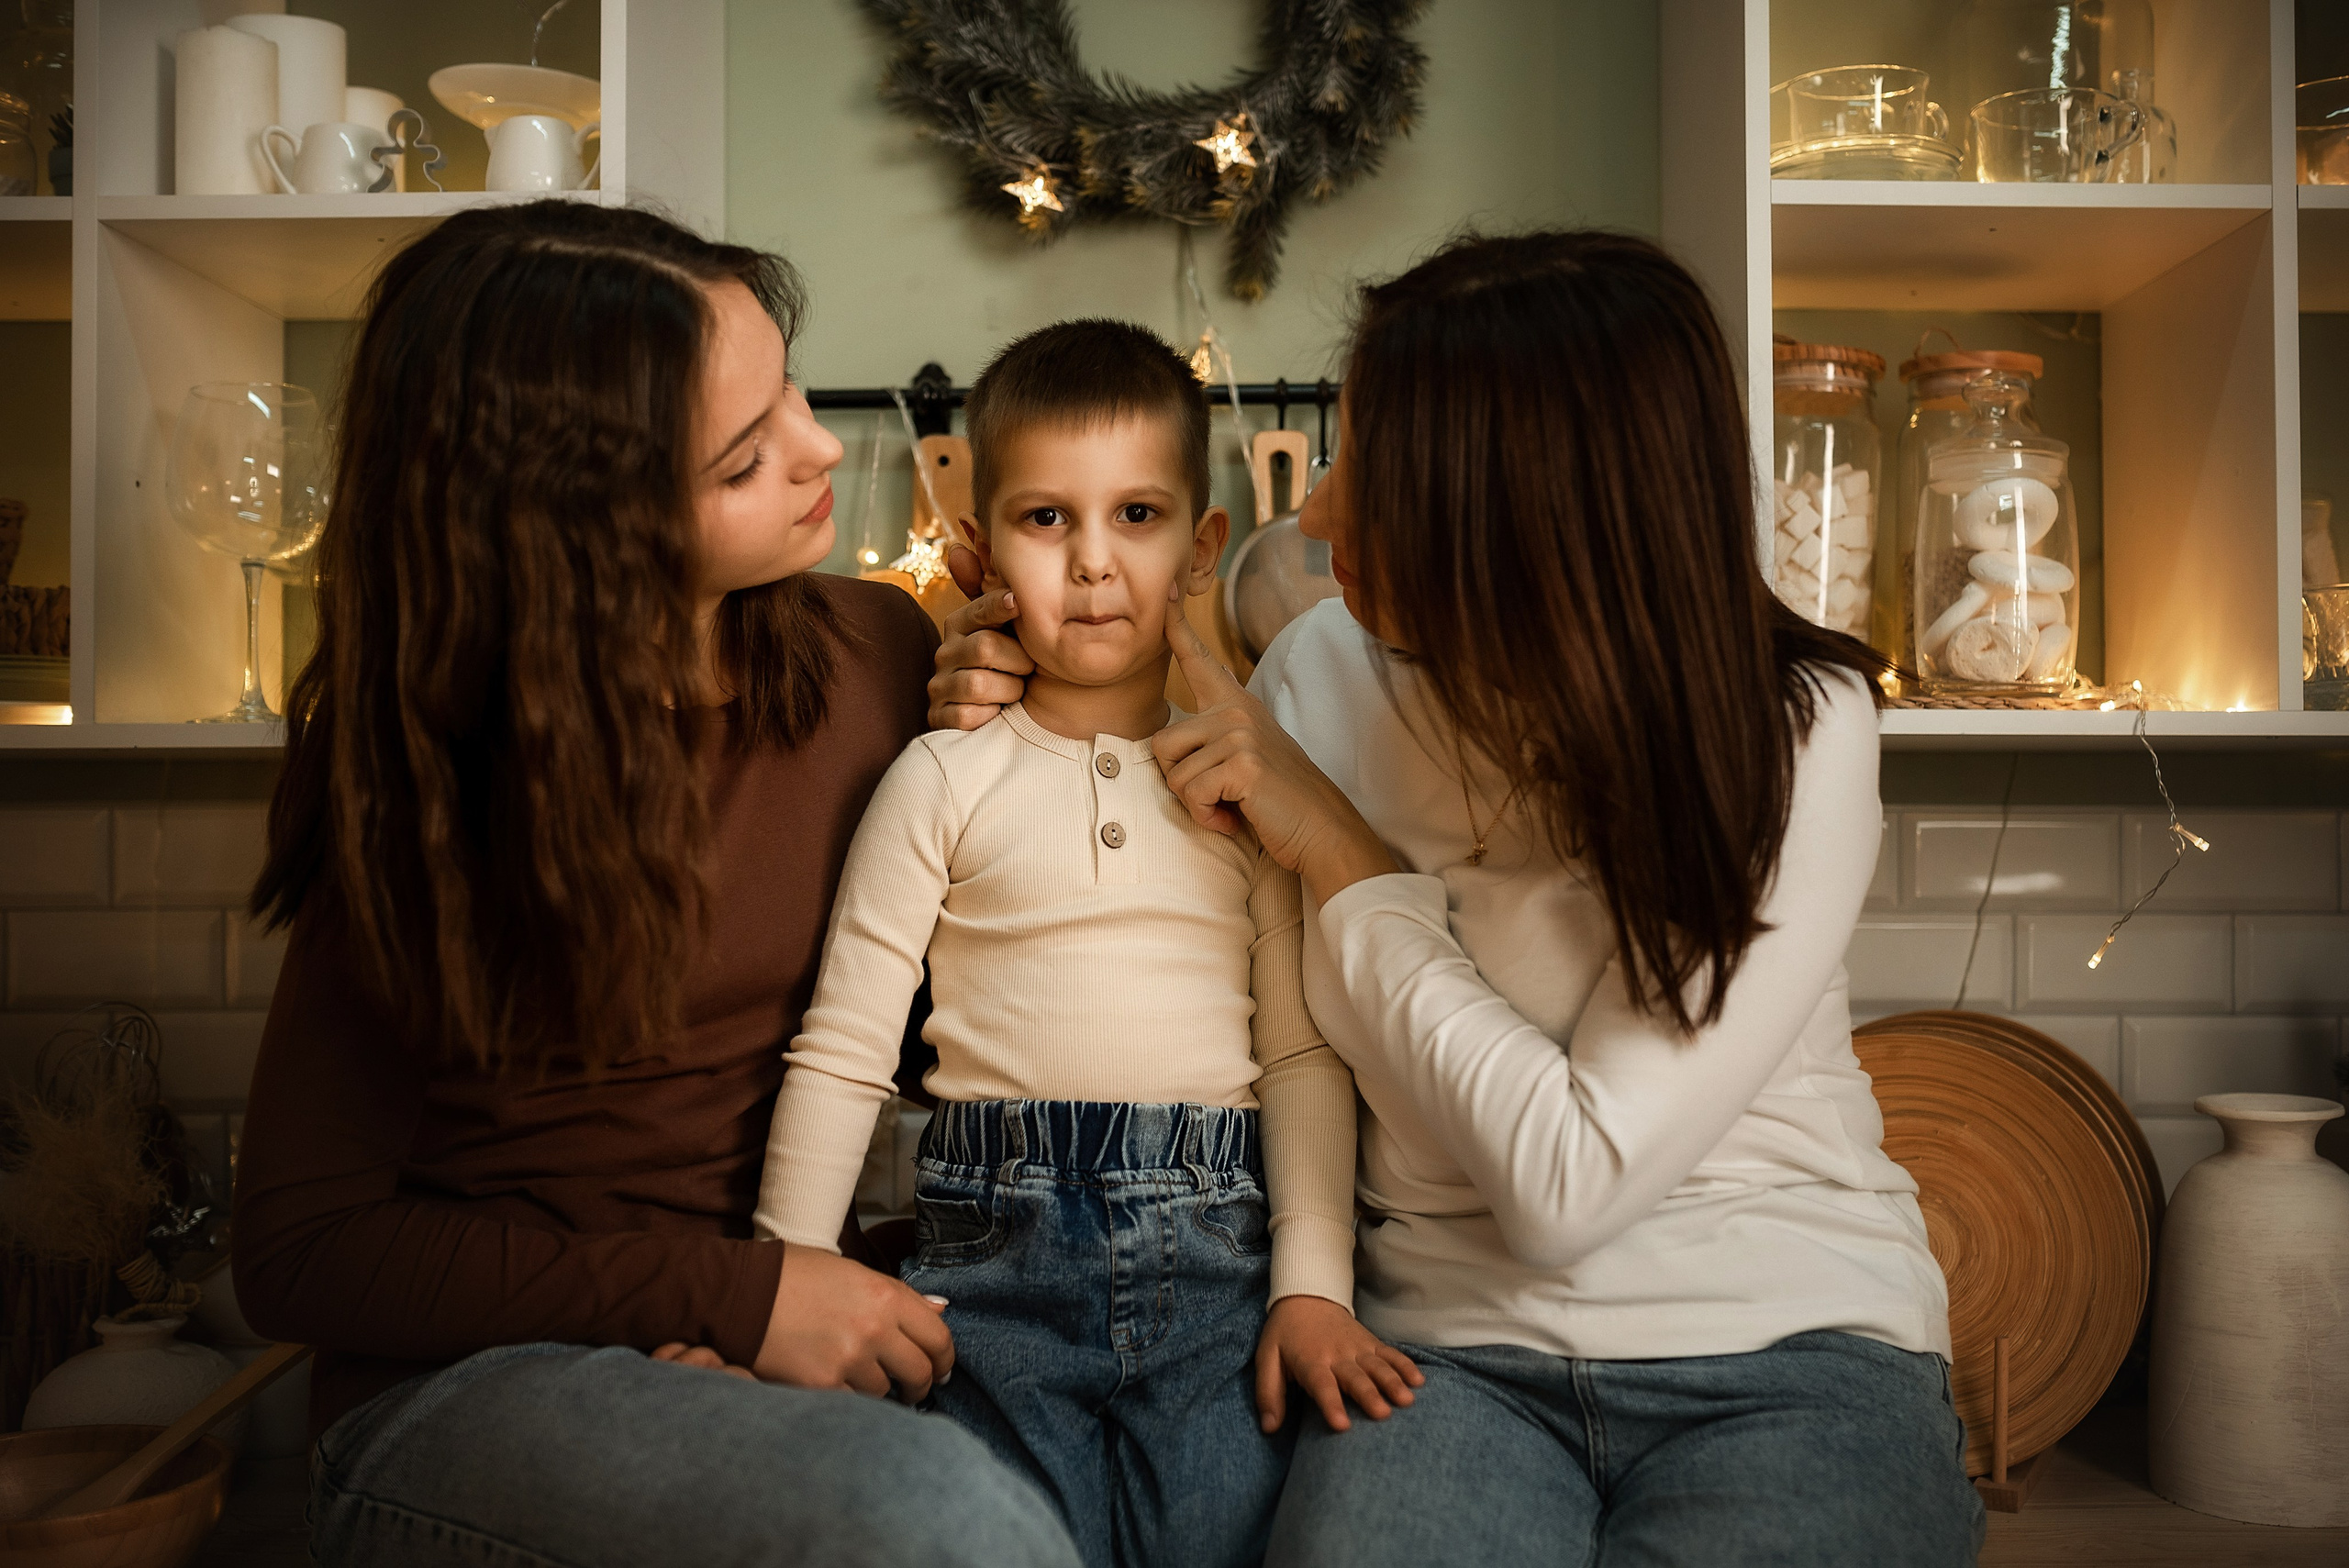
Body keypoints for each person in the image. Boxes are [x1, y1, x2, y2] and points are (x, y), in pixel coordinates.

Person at [929, 231, 1985, 1565]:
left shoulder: (1790, 725)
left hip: (1791, 1344)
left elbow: (1569, 1181)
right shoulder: (1319, 668)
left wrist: (1349, 856)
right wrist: (998, 684)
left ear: (1520, 518)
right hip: (1440, 1362)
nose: (1313, 516)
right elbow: (1120, 794)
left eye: (1371, 474)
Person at [232, 201, 1079, 1568]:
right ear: (582, 527)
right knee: (946, 1529)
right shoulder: (430, 765)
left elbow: (939, 1034)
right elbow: (300, 1249)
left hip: (791, 1313)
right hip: (472, 1389)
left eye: (789, 384)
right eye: (743, 459)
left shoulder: (873, 650)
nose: (817, 451)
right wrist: (730, 1298)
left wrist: (1034, 753)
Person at [753, 320, 1419, 1568]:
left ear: (1203, 545)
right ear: (975, 549)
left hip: (1225, 1282)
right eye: (1048, 520)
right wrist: (782, 1272)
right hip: (989, 1283)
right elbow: (843, 1046)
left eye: (1139, 515)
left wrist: (1313, 1286)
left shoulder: (1243, 788)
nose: (1096, 564)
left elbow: (1301, 1058)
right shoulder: (940, 778)